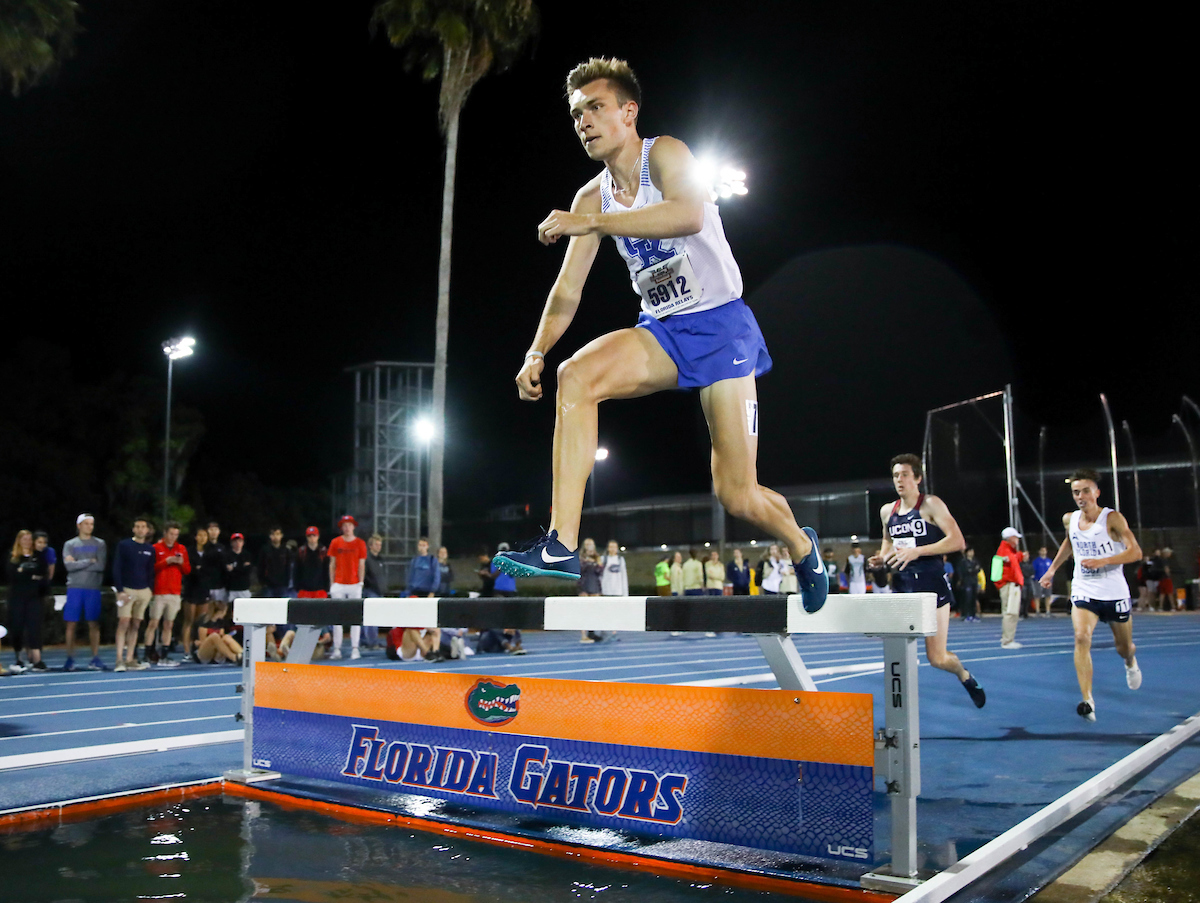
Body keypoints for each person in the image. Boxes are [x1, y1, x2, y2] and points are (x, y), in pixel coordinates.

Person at [491, 58, 827, 614]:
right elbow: (567, 291)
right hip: (664, 333)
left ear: (629, 113)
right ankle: (562, 545)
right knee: (576, 376)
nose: (584, 122)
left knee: (737, 494)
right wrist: (536, 351)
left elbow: (688, 215)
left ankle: (800, 544)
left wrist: (594, 223)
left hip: (722, 329)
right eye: (576, 115)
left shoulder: (666, 153)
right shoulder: (590, 198)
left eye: (596, 108)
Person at [869, 454, 985, 708]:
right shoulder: (888, 511)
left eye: (905, 475)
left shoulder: (931, 505)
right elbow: (888, 543)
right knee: (898, 654)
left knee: (937, 658)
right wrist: (881, 558)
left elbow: (957, 541)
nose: (900, 480)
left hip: (932, 587)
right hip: (902, 589)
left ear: (918, 478)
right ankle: (902, 714)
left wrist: (918, 551)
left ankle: (964, 675)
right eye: (896, 475)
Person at [1038, 469, 1143, 721]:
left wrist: (1104, 560)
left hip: (1113, 590)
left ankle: (1130, 662)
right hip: (1084, 588)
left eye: (1086, 490)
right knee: (1081, 637)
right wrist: (1052, 570)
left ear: (1096, 492)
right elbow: (1069, 542)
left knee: (1123, 647)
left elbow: (1136, 552)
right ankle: (1088, 700)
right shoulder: (1070, 519)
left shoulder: (1112, 519)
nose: (1081, 496)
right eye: (1076, 492)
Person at [62, 513, 108, 671]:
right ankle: (70, 659)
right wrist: (89, 561)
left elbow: (100, 566)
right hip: (75, 588)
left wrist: (77, 563)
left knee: (93, 623)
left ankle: (95, 658)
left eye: (92, 524)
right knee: (71, 624)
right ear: (79, 525)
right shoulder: (70, 544)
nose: (90, 527)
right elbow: (69, 566)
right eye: (87, 523)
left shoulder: (100, 543)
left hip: (93, 588)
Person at [144, 521, 190, 667]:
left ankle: (164, 655)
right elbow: (150, 568)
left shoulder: (181, 548)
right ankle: (147, 654)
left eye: (176, 534)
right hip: (159, 591)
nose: (173, 537)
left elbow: (187, 570)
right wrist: (167, 561)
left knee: (168, 624)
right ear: (165, 533)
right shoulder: (156, 548)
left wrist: (181, 562)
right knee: (153, 623)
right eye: (171, 534)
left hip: (175, 592)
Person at [112, 517, 156, 671]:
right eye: (137, 526)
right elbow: (117, 567)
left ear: (147, 530)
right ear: (133, 529)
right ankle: (119, 659)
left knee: (136, 624)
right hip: (127, 590)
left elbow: (151, 571)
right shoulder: (124, 545)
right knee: (123, 622)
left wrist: (150, 589)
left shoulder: (150, 549)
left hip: (143, 591)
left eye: (143, 527)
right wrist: (120, 590)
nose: (140, 529)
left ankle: (130, 658)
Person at [7, 530, 48, 673]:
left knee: (34, 627)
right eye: (24, 539)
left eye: (29, 539)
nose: (27, 541)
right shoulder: (13, 557)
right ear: (19, 540)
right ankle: (19, 658)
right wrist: (30, 575)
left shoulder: (38, 557)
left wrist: (24, 573)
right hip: (17, 598)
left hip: (34, 598)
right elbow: (13, 576)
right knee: (17, 627)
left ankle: (37, 659)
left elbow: (43, 575)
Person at [328, 516, 367, 660]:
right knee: (336, 618)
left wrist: (361, 582)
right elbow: (332, 564)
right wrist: (332, 584)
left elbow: (362, 564)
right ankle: (337, 648)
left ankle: (355, 648)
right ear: (341, 527)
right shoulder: (335, 542)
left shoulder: (360, 543)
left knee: (355, 617)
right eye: (344, 525)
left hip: (354, 584)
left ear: (353, 526)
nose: (347, 528)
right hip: (338, 584)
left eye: (349, 525)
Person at [182, 526, 221, 659]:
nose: (203, 538)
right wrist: (198, 570)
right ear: (195, 537)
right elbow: (188, 570)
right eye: (200, 535)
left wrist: (201, 570)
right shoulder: (189, 551)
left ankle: (199, 649)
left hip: (204, 589)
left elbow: (212, 570)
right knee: (189, 621)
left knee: (201, 622)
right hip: (191, 589)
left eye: (205, 535)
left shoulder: (211, 552)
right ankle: (187, 650)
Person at [994, 527, 1027, 649]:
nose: (1018, 539)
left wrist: (1020, 556)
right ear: (1011, 538)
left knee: (1010, 612)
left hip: (1009, 585)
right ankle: (1007, 641)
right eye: (1016, 537)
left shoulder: (1007, 550)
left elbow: (1011, 560)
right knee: (1010, 613)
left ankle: (1008, 639)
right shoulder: (1005, 550)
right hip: (1009, 585)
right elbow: (1010, 564)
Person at [361, 533, 387, 649]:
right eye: (376, 544)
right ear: (370, 546)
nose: (379, 546)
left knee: (372, 617)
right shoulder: (366, 559)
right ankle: (371, 642)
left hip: (378, 591)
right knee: (371, 617)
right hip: (370, 590)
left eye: (380, 544)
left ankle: (367, 640)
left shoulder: (380, 559)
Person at [577, 538, 603, 644]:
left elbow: (600, 571)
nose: (589, 546)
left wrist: (597, 562)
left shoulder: (597, 557)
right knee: (584, 611)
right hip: (584, 585)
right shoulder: (580, 557)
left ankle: (592, 633)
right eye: (587, 544)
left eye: (591, 544)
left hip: (595, 585)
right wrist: (588, 561)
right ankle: (583, 635)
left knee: (594, 610)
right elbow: (579, 570)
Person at [294, 527, 329, 599]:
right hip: (304, 590)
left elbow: (326, 570)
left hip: (320, 590)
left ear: (318, 536)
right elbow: (296, 570)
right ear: (306, 537)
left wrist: (326, 587)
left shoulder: (323, 551)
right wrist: (297, 587)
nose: (312, 538)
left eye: (314, 535)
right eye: (309, 536)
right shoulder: (301, 551)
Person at [258, 526, 292, 597]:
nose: (275, 536)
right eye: (273, 534)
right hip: (268, 586)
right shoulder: (265, 550)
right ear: (270, 536)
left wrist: (287, 582)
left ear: (281, 535)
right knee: (268, 607)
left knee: (282, 607)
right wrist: (263, 582)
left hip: (282, 586)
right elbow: (261, 567)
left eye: (277, 534)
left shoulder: (286, 550)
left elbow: (288, 568)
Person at [955, 547, 982, 622]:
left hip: (974, 581)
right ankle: (966, 615)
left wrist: (972, 570)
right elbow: (965, 571)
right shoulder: (963, 561)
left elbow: (978, 569)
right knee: (967, 599)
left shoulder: (975, 561)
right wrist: (973, 570)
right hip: (967, 582)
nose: (972, 553)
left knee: (973, 599)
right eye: (970, 551)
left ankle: (973, 615)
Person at [1031, 546, 1054, 616]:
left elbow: (1052, 570)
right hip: (1038, 580)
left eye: (1045, 550)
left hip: (1048, 581)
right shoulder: (1036, 561)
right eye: (1042, 550)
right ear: (1039, 552)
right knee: (1037, 596)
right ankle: (1038, 611)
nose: (1043, 552)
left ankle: (1048, 611)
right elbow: (1033, 571)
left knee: (1048, 596)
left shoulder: (1049, 561)